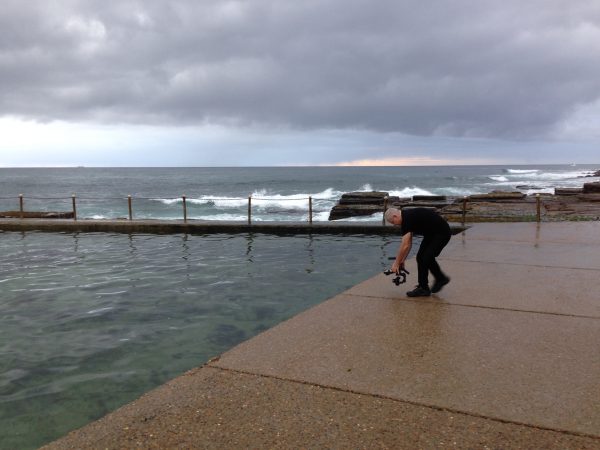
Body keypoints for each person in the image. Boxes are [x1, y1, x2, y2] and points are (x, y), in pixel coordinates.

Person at [384, 207, 451, 297]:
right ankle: (423, 288)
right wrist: (402, 260)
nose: (395, 225)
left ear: (395, 216)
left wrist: (396, 263)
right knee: (420, 257)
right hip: (431, 234)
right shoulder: (406, 217)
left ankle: (441, 279)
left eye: (393, 222)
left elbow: (405, 244)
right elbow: (409, 243)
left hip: (442, 233)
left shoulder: (407, 218)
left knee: (427, 257)